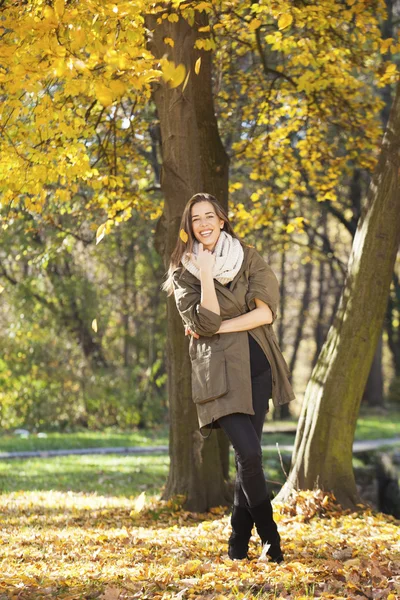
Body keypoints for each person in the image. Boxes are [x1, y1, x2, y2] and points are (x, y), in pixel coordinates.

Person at [162, 192, 296, 563]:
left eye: (210, 216)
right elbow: (202, 321)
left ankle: (238, 541)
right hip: (217, 375)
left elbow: (265, 314)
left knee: (246, 462)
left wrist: (220, 328)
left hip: (257, 368)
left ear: (222, 220)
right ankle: (271, 539)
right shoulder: (181, 274)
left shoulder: (248, 257)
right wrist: (205, 273)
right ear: (188, 229)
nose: (203, 224)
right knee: (250, 453)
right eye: (196, 220)